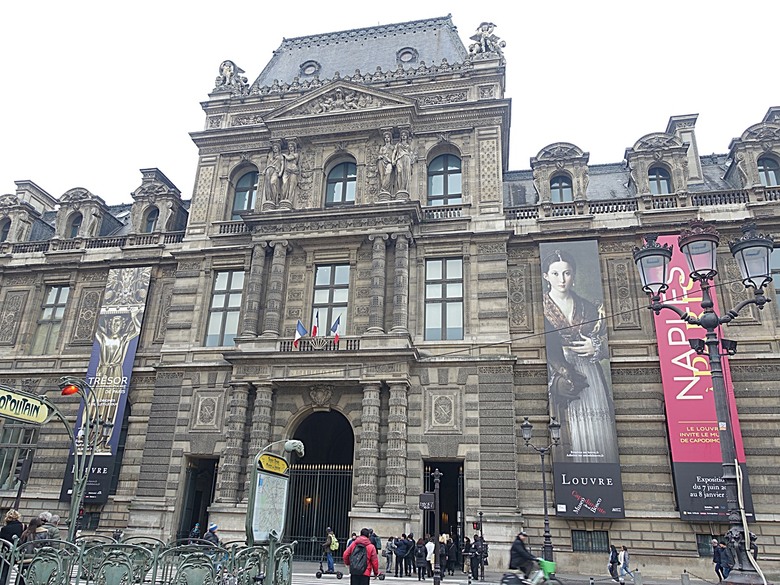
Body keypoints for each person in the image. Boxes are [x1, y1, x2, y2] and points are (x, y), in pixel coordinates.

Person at [542, 249, 618, 463]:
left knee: (598, 425)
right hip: (560, 371)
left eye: (566, 273)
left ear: (573, 275)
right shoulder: (541, 309)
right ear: (546, 276)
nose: (562, 280)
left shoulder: (590, 307)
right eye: (555, 274)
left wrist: (598, 348)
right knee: (567, 429)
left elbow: (611, 338)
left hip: (590, 372)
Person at [0, 510, 24, 585]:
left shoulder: (5, 528)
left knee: (4, 571)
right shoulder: (23, 526)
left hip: (6, 552)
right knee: (19, 571)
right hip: (18, 552)